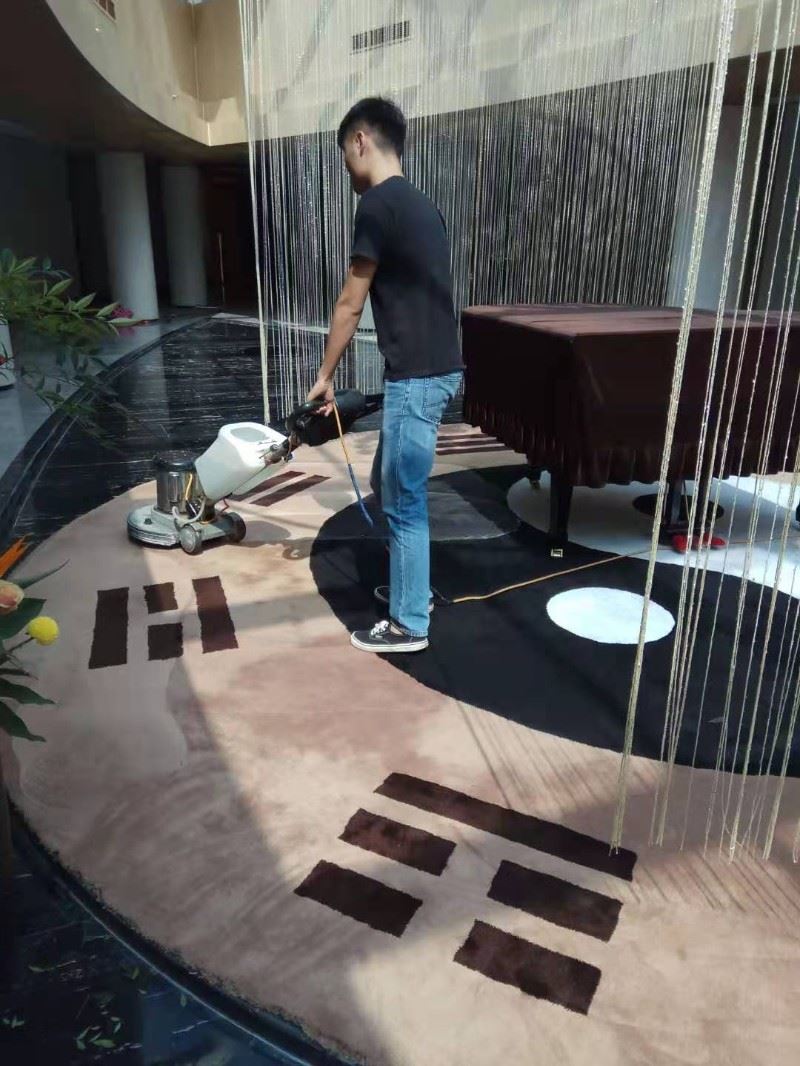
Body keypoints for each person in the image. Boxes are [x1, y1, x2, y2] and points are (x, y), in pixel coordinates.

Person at [307, 97, 463, 654]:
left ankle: (409, 623)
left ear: (360, 141)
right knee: (388, 483)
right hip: (435, 369)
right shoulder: (423, 205)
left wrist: (324, 376)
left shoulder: (376, 205)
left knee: (403, 501)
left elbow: (350, 303)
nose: (347, 170)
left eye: (345, 156)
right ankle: (409, 588)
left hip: (417, 378)